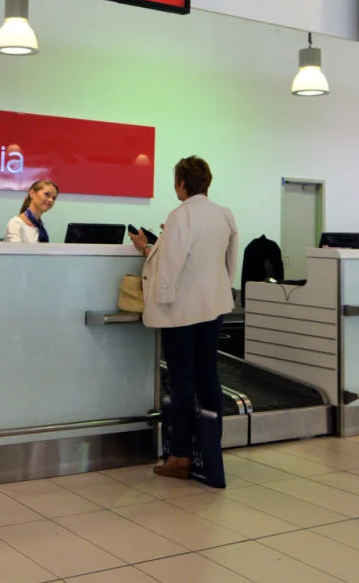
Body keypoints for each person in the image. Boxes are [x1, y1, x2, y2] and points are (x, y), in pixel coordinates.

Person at [130, 156, 237, 480]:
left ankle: (179, 456)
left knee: (182, 382)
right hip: (214, 306)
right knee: (209, 377)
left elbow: (170, 268)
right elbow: (229, 261)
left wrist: (149, 251)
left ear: (181, 182)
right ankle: (209, 448)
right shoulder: (224, 214)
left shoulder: (180, 216)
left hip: (181, 311)